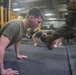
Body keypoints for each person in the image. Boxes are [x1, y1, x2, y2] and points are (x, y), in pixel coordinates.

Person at [0, 7, 43, 75]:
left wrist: (17, 54)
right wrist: (2, 70)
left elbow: (17, 40)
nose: (38, 25)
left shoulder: (23, 27)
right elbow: (1, 47)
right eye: (38, 22)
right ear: (31, 18)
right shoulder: (15, 25)